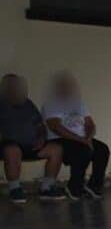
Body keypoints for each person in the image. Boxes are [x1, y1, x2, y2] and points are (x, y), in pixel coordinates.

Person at [43, 71, 109, 200]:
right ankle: (74, 187)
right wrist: (81, 140)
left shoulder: (79, 104)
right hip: (61, 139)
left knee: (102, 150)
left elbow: (90, 124)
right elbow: (55, 127)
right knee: (83, 150)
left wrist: (88, 138)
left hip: (82, 139)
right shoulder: (51, 104)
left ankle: (94, 186)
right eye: (64, 86)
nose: (67, 89)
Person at [0, 73, 65, 203]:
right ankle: (15, 189)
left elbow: (40, 126)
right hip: (9, 145)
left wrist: (41, 138)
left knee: (56, 149)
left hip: (32, 145)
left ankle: (47, 188)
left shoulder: (27, 103)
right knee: (12, 150)